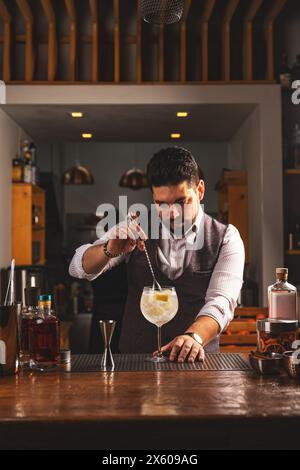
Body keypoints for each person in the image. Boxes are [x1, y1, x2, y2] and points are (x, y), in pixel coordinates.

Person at [69, 147, 244, 363]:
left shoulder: (226, 237)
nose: (172, 213)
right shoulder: (136, 226)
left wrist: (193, 337)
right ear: (153, 198)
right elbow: (78, 267)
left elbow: (221, 301)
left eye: (181, 202)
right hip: (136, 362)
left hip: (196, 364)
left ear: (199, 190)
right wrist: (109, 250)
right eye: (162, 204)